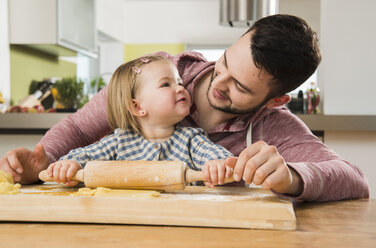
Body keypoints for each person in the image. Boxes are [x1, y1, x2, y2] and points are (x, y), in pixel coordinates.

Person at [0, 14, 369, 201]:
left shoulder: (275, 127)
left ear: (274, 101)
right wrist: (44, 159)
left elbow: (354, 178)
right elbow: (81, 131)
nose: (217, 83)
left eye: (239, 87)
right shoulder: (153, 74)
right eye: (224, 62)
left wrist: (292, 176)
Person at [45, 55, 233, 187]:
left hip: (180, 218)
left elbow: (214, 155)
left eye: (180, 82)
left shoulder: (192, 139)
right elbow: (85, 156)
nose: (180, 88)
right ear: (137, 107)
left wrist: (218, 165)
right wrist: (70, 164)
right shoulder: (119, 141)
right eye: (166, 84)